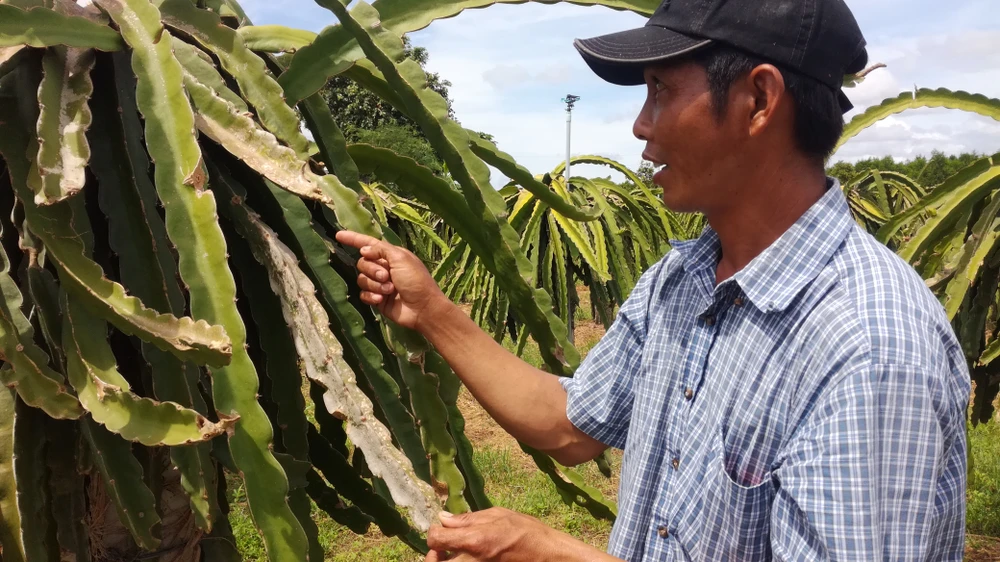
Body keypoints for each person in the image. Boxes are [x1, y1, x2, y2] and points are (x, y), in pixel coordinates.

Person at [335, 0, 972, 559]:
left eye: (660, 90)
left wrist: (550, 555)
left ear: (758, 99)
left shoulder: (870, 345)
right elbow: (569, 426)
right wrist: (431, 311)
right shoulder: (681, 278)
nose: (641, 126)